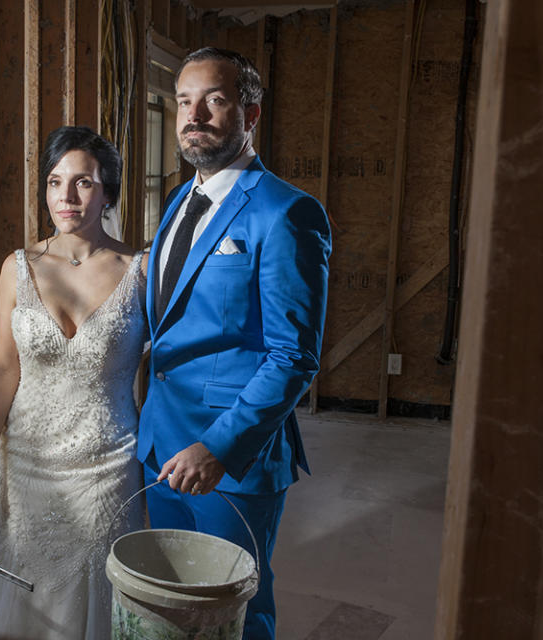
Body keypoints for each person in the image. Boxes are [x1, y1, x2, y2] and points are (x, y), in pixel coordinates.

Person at [138, 47, 331, 639]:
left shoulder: (288, 214)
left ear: (251, 114)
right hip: (161, 446)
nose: (194, 115)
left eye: (215, 101)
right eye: (185, 101)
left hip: (229, 460)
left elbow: (293, 356)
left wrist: (219, 447)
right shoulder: (179, 200)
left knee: (233, 611)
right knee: (173, 605)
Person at [0, 126, 147, 639]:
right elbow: (3, 367)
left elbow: (168, 366)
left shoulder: (142, 270)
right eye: (56, 182)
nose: (66, 197)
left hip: (109, 462)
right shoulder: (19, 266)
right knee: (24, 593)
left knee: (98, 594)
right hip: (29, 464)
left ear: (108, 191)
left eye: (83, 183)